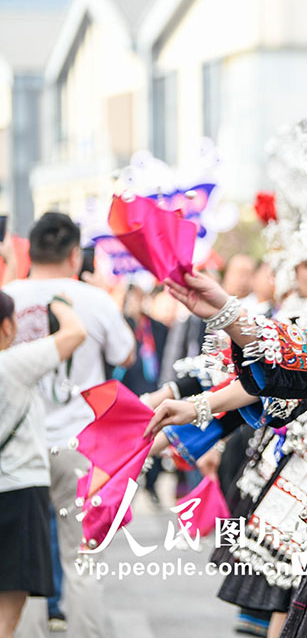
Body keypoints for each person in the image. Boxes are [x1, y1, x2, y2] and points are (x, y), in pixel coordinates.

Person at [3, 212, 134, 638]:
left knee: (23, 563)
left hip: (19, 451)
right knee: (81, 557)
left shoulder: (8, 295)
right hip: (81, 445)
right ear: (75, 253)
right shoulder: (93, 300)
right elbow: (127, 355)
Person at [0, 292, 85, 638]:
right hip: (19, 492)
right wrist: (60, 304)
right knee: (7, 613)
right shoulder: (12, 363)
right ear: (7, 326)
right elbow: (75, 333)